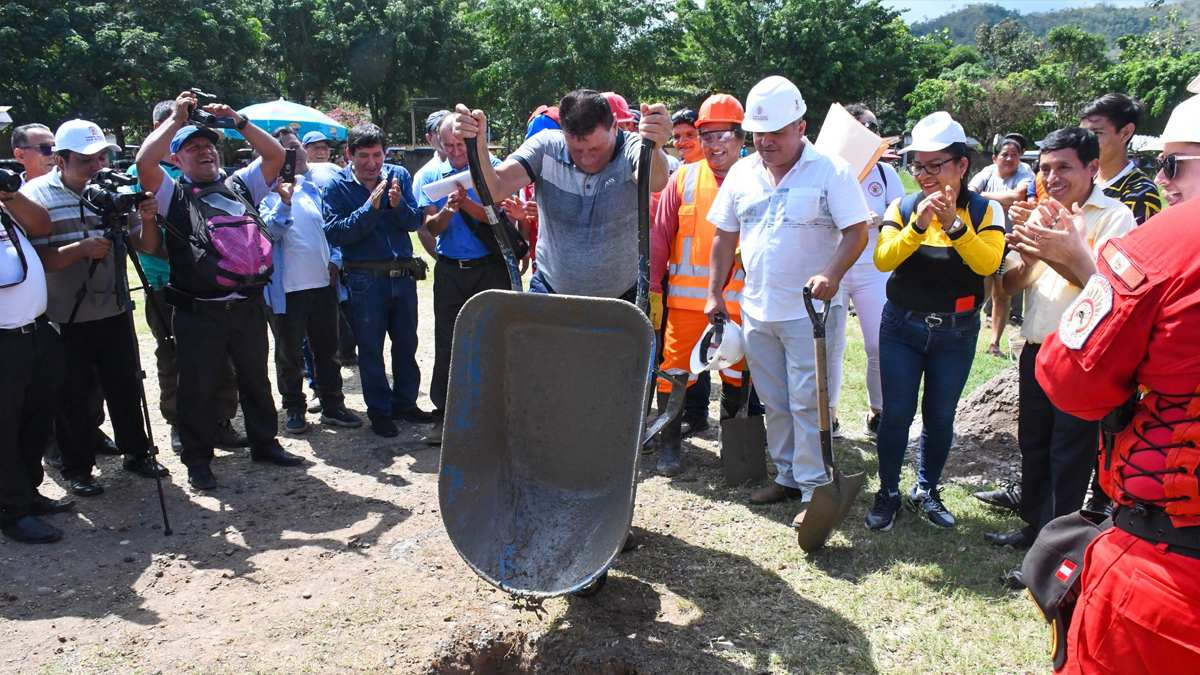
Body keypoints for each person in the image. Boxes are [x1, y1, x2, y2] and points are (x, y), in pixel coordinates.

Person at [1031, 92, 1200, 673]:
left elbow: (1071, 378)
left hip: (1172, 572)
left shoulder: (1170, 238)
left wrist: (1088, 270)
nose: (1162, 180)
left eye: (1174, 164)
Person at [704, 76, 870, 505]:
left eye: (776, 132)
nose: (766, 142)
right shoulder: (742, 173)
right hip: (758, 308)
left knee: (809, 402)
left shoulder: (831, 170)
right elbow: (724, 235)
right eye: (760, 134)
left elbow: (855, 232)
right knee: (774, 401)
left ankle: (815, 490)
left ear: (801, 125)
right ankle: (787, 475)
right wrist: (714, 292)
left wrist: (832, 274)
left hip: (810, 313)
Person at [136, 90, 304, 490]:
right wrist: (176, 119)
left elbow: (277, 156)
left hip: (246, 305)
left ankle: (265, 442)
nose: (204, 152)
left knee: (255, 379)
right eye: (192, 149)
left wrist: (236, 120)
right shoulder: (171, 193)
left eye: (208, 146)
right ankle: (198, 460)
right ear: (176, 160)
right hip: (198, 311)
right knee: (197, 386)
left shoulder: (239, 186)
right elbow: (144, 161)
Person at [985, 128, 1135, 574]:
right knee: (1033, 445)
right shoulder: (1039, 215)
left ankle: (1054, 555)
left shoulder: (1114, 217)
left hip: (1082, 357)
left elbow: (1105, 287)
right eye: (1046, 168)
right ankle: (1033, 531)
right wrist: (1028, 257)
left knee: (1069, 456)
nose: (1052, 177)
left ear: (1092, 168)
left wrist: (1052, 250)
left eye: (1064, 167)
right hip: (1036, 350)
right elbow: (1009, 286)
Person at [866, 111, 1005, 530]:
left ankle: (926, 488)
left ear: (962, 165)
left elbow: (989, 262)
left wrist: (955, 226)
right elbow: (883, 258)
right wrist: (918, 225)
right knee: (896, 413)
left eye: (934, 164)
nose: (924, 175)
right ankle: (888, 491)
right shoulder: (904, 206)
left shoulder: (986, 211)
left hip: (957, 331)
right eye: (917, 165)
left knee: (940, 415)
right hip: (902, 327)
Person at [23, 119, 168, 496]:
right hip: (65, 315)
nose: (97, 165)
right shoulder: (37, 195)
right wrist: (79, 251)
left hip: (115, 307)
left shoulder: (114, 189)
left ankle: (137, 452)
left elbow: (145, 245)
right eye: (87, 158)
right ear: (61, 158)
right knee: (74, 396)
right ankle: (78, 468)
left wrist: (147, 219)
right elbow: (33, 260)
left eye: (102, 156)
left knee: (125, 386)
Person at [450, 88, 672, 300]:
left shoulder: (633, 147)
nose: (586, 158)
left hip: (623, 295)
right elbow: (494, 189)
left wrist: (654, 146)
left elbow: (656, 180)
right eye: (577, 150)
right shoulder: (546, 146)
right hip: (550, 289)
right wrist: (477, 144)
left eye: (595, 149)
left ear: (615, 126)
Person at [132, 100, 246, 452]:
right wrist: (175, 120)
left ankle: (222, 419)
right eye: (169, 125)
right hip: (166, 285)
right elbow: (147, 241)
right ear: (157, 130)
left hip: (211, 284)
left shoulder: (206, 173)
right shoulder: (152, 176)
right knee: (174, 359)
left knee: (224, 358)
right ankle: (181, 422)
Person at [649, 93, 750, 476]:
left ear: (742, 139)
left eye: (723, 135)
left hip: (740, 305)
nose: (713, 144)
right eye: (706, 135)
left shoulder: (759, 178)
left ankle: (734, 448)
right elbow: (661, 236)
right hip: (686, 305)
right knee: (674, 372)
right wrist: (656, 289)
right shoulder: (684, 177)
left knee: (737, 374)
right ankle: (669, 446)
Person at [322, 123, 432, 438]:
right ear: (349, 155)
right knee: (370, 349)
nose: (372, 163)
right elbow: (338, 232)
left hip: (403, 275)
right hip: (364, 278)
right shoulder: (336, 186)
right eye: (364, 156)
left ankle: (406, 404)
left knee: (407, 343)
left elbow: (414, 221)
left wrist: (396, 206)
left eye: (378, 155)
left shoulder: (398, 175)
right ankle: (380, 411)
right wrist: (370, 207)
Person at [414, 115, 512, 445]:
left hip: (490, 267)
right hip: (451, 270)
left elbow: (497, 216)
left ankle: (498, 413)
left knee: (497, 339)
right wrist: (449, 210)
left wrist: (467, 202)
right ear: (439, 143)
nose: (456, 152)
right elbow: (433, 228)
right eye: (449, 146)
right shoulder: (429, 175)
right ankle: (444, 415)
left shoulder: (494, 166)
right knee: (448, 341)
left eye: (461, 145)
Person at [259, 127, 362, 434]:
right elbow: (268, 235)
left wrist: (336, 260)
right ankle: (294, 408)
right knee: (288, 355)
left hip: (322, 285)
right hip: (286, 291)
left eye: (297, 147)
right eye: (288, 149)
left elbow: (331, 232)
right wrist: (284, 202)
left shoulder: (314, 190)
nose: (298, 154)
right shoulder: (262, 193)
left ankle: (333, 405)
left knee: (327, 350)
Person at [0, 185, 70, 542]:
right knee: (5, 429)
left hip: (36, 331)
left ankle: (27, 491)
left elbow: (43, 226)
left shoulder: (7, 204)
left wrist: (8, 195)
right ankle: (12, 511)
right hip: (4, 338)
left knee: (36, 419)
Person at [830, 104, 904, 439]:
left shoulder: (885, 174)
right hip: (833, 265)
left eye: (873, 127)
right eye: (862, 126)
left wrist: (880, 220)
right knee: (829, 342)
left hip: (873, 267)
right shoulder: (828, 169)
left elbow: (900, 213)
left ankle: (879, 411)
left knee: (878, 342)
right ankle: (826, 412)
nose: (870, 132)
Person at [969, 133, 1035, 355]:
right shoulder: (987, 172)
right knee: (980, 291)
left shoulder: (1025, 172)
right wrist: (1001, 198)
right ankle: (969, 334)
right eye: (1005, 155)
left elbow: (1018, 196)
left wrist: (985, 196)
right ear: (995, 158)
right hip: (985, 240)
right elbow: (969, 193)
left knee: (1003, 292)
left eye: (1014, 155)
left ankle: (994, 343)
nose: (1009, 159)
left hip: (1010, 241)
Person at [1078, 92, 1163, 226]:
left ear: (1125, 133)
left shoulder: (1141, 192)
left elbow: (1127, 246)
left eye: (1096, 133)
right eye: (1082, 134)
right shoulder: (1084, 181)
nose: (1084, 142)